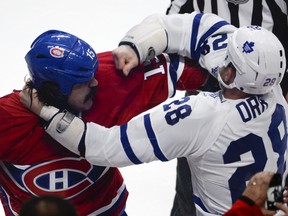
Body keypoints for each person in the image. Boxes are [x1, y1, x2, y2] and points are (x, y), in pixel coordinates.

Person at [20, 12, 288, 215]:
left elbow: (105, 147)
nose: (222, 59)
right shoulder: (273, 89)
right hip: (274, 203)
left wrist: (49, 113)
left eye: (228, 60)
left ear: (232, 74)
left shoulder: (201, 115)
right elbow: (199, 28)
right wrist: (136, 45)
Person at [0, 29, 208, 215]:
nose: (95, 82)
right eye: (83, 82)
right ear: (55, 90)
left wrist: (228, 79)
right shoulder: (7, 119)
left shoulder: (109, 81)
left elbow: (181, 70)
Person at [165, 1, 288, 215]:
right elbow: (172, 32)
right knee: (190, 190)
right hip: (208, 98)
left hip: (265, 96)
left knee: (268, 180)